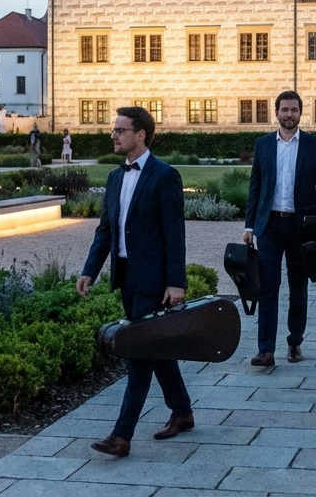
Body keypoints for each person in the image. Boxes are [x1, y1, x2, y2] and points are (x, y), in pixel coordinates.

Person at [77, 107, 193, 458]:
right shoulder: (114, 177)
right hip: (126, 279)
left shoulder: (164, 175)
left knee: (138, 354)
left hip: (155, 282)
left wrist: (176, 282)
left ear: (140, 134)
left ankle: (121, 435)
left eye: (120, 130)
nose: (113, 135)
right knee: (156, 352)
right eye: (114, 130)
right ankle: (183, 412)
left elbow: (175, 234)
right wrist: (89, 271)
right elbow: (106, 231)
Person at [243, 91, 316, 366]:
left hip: (300, 226)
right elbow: (255, 187)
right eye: (284, 109)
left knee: (298, 286)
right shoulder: (263, 144)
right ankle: (266, 349)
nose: (289, 114)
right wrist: (249, 225)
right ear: (276, 113)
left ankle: (295, 341)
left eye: (294, 110)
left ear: (300, 113)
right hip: (270, 224)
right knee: (268, 286)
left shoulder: (313, 144)